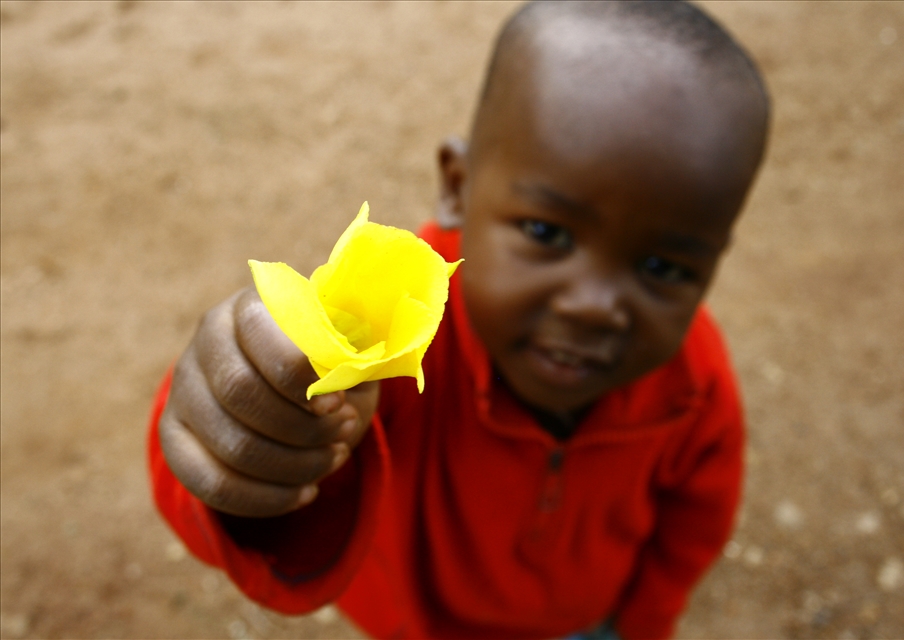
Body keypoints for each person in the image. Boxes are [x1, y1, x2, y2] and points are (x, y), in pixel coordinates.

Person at [148, 1, 770, 638]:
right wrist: (244, 422)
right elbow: (254, 499)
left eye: (664, 268)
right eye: (546, 232)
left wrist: (645, 624)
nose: (592, 306)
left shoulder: (695, 382)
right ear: (457, 186)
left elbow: (696, 521)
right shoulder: (390, 334)